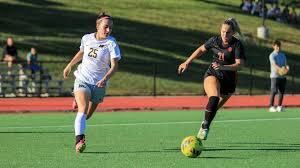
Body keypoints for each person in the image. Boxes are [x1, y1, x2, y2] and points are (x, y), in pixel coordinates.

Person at [178, 18, 245, 140]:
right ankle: (205, 127)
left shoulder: (237, 44)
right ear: (220, 30)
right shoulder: (214, 40)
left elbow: (239, 65)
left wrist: (223, 66)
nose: (225, 34)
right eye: (223, 31)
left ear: (233, 32)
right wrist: (187, 62)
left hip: (229, 80)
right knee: (213, 98)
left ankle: (205, 121)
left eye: (228, 32)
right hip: (213, 73)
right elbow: (201, 49)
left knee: (215, 107)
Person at [63, 12, 121, 153]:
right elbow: (81, 53)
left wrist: (105, 79)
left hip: (99, 84)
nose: (108, 30)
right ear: (98, 26)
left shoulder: (111, 43)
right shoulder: (86, 38)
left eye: (110, 28)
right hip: (83, 79)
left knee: (87, 116)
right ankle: (79, 141)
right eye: (106, 27)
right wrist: (70, 65)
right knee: (82, 110)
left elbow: (115, 66)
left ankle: (79, 99)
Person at [268, 40, 289, 112]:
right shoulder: (272, 55)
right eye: (277, 46)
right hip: (274, 76)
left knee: (281, 92)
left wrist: (287, 68)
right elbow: (274, 64)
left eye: (279, 46)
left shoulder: (283, 55)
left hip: (282, 76)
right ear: (273, 46)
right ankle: (271, 107)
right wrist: (280, 69)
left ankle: (279, 106)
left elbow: (285, 64)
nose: (278, 48)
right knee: (274, 91)